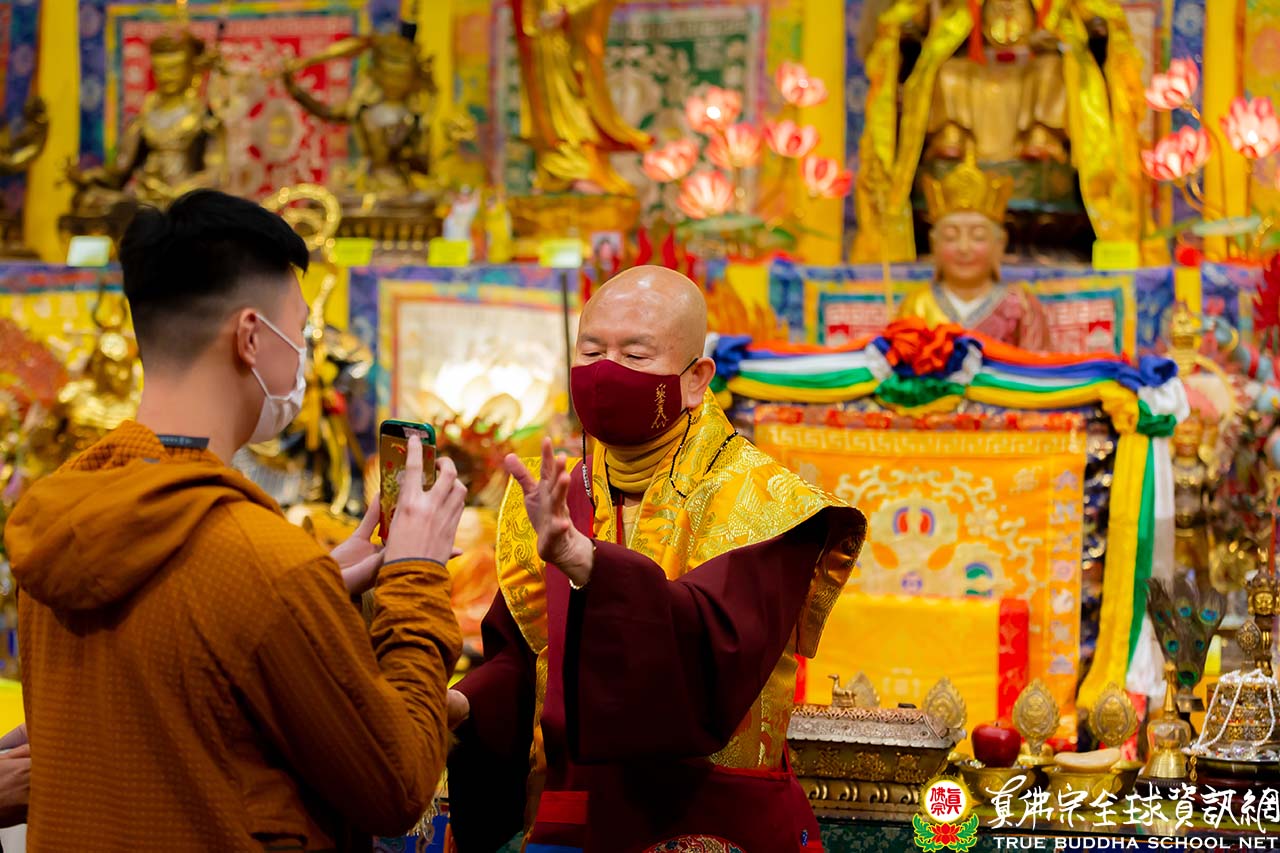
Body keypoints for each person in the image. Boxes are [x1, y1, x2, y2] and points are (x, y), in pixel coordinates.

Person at [4, 190, 466, 851]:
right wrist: (416, 577)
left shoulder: (58, 514)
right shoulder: (259, 560)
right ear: (251, 336)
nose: (303, 356)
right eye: (300, 333)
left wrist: (315, 584)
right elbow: (396, 784)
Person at [446, 266, 866, 851]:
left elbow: (708, 658)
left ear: (696, 379)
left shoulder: (767, 503)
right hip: (574, 815)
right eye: (591, 351)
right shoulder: (555, 495)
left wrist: (591, 565)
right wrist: (460, 704)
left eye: (635, 355)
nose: (605, 371)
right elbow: (528, 661)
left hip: (714, 822)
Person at [897, 153, 1049, 351]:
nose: (964, 248)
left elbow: (1039, 365)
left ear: (1000, 244)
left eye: (978, 237)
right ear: (934, 244)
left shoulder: (1021, 307)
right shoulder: (917, 305)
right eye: (951, 237)